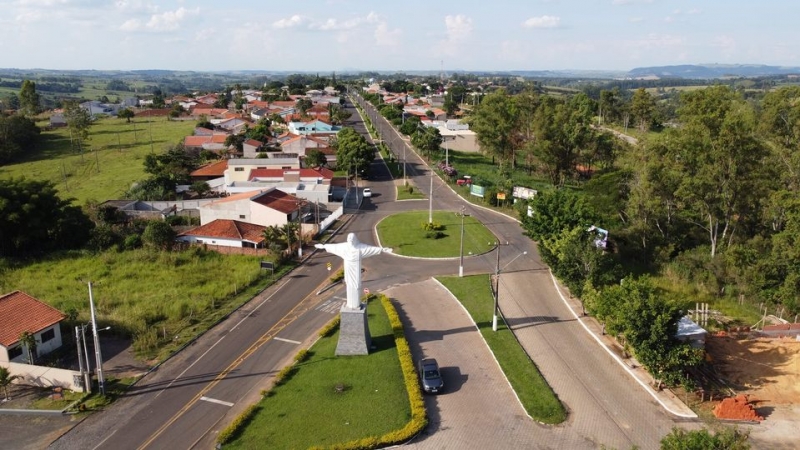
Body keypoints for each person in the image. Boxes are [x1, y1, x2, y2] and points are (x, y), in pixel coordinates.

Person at [315, 233, 392, 309]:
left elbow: (370, 249)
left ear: (355, 240)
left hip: (355, 271)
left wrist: (382, 249)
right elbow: (335, 247)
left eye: (352, 240)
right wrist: (323, 246)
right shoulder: (344, 247)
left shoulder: (360, 248)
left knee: (356, 286)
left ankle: (355, 305)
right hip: (348, 270)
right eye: (349, 240)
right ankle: (350, 304)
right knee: (349, 284)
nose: (350, 241)